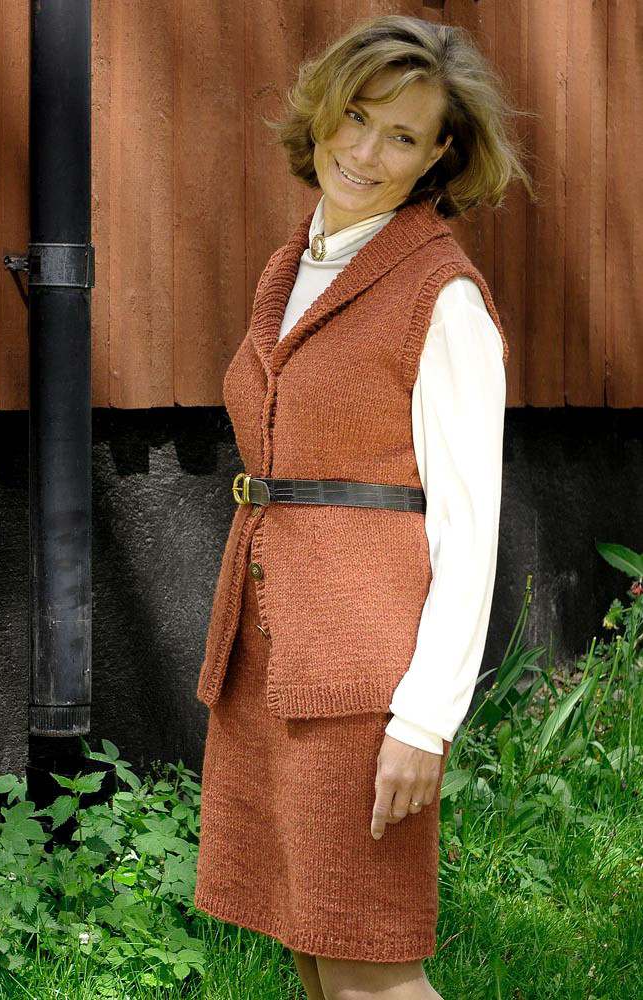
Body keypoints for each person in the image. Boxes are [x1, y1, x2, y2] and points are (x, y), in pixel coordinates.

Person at [193, 14, 535, 1000]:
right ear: (324, 113)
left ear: (439, 156)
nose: (365, 151)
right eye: (356, 117)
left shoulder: (442, 296)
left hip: (359, 676)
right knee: (311, 951)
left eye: (401, 135)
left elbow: (468, 527)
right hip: (269, 657)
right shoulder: (295, 265)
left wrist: (424, 719)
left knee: (368, 972)